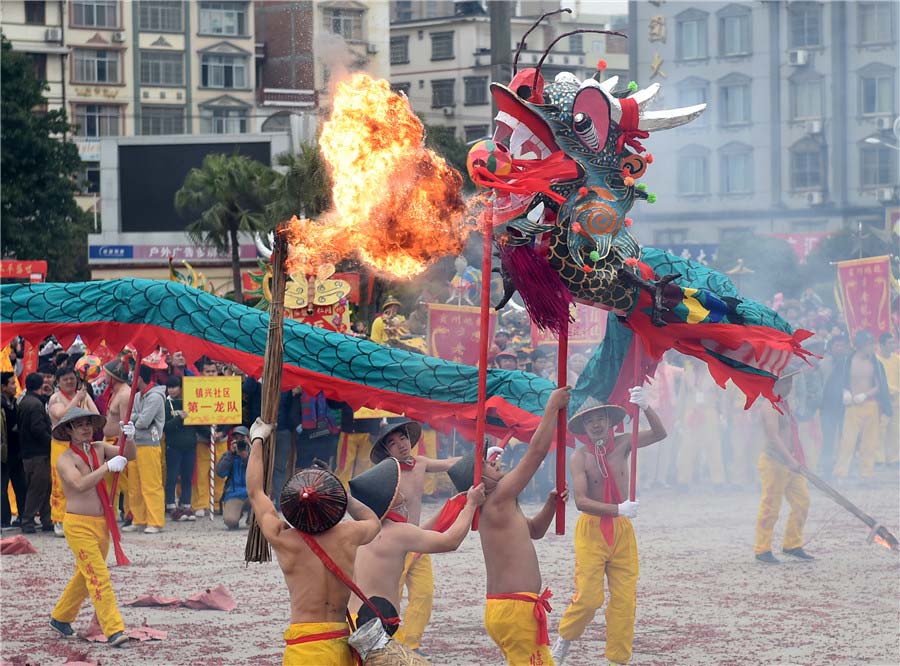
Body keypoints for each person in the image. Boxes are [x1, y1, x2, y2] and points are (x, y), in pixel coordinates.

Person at [447, 387, 570, 665]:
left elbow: (534, 531)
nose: (495, 462)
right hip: (515, 609)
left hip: (510, 608)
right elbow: (537, 453)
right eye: (487, 465)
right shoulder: (498, 498)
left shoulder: (499, 504)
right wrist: (552, 406)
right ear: (480, 481)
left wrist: (550, 505)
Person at [245, 418, 381, 665]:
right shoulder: (348, 535)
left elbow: (255, 492)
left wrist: (257, 440)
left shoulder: (284, 539)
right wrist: (343, 494)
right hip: (339, 645)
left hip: (304, 649)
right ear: (334, 504)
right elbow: (374, 521)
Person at [551, 386, 667, 665]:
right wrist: (619, 508)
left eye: (600, 418)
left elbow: (660, 434)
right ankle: (564, 639)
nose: (595, 424)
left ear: (609, 421)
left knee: (625, 600)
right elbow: (580, 502)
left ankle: (618, 659)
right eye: (589, 421)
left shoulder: (624, 443)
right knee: (589, 598)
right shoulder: (579, 457)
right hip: (592, 530)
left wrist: (646, 406)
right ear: (583, 427)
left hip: (622, 530)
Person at [348, 460, 486, 624]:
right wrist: (471, 504)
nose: (404, 496)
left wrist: (455, 505)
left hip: (352, 619)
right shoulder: (398, 532)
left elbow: (423, 533)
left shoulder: (356, 531)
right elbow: (451, 541)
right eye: (398, 492)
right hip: (377, 623)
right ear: (389, 499)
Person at [368, 419, 463, 652]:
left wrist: (480, 458)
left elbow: (450, 463)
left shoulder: (419, 463)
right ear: (385, 451)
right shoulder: (384, 475)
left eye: (403, 438)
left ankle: (411, 644)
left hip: (419, 540)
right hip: (394, 545)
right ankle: (392, 644)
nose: (401, 444)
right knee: (391, 597)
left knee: (424, 594)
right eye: (393, 442)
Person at [49, 408, 135, 647]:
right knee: (98, 576)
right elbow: (79, 485)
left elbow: (128, 455)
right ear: (69, 430)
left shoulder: (99, 447)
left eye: (88, 423)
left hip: (102, 523)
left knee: (84, 574)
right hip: (78, 525)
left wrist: (130, 436)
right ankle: (114, 630)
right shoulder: (65, 459)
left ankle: (61, 617)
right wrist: (108, 468)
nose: (86, 428)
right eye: (79, 425)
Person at [753, 372, 813, 564]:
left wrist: (796, 459)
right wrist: (789, 459)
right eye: (786, 381)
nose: (790, 385)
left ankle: (792, 544)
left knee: (802, 501)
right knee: (771, 507)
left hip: (791, 462)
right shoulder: (768, 406)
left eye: (791, 381)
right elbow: (774, 436)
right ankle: (762, 549)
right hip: (775, 463)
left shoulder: (784, 404)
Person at [833, 330, 892, 480]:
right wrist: (845, 392)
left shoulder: (876, 363)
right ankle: (841, 473)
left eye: (872, 344)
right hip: (852, 406)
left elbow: (880, 386)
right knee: (847, 441)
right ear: (860, 346)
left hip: (871, 405)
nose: (872, 348)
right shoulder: (847, 361)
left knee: (870, 442)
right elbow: (839, 381)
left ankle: (867, 473)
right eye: (869, 344)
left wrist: (866, 394)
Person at [48, 365, 100, 536]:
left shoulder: (83, 396)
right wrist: (77, 398)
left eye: (72, 378)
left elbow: (96, 414)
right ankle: (59, 519)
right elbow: (61, 414)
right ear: (58, 382)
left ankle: (81, 515)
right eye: (65, 379)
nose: (70, 382)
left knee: (85, 479)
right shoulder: (55, 398)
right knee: (61, 483)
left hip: (82, 444)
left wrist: (84, 402)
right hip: (61, 445)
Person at [123, 365, 166, 534]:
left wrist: (134, 418)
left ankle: (155, 521)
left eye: (134, 377)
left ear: (140, 378)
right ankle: (139, 519)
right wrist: (135, 418)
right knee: (134, 485)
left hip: (150, 443)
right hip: (135, 443)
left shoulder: (155, 396)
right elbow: (131, 416)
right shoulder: (137, 396)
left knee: (151, 484)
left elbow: (143, 421)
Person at [18, 372, 53, 534]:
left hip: (27, 453)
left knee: (44, 487)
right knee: (38, 488)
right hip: (38, 453)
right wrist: (51, 441)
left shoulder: (25, 401)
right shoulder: (36, 405)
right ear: (40, 384)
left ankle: (46, 519)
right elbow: (37, 429)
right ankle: (28, 520)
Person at [162, 376, 197, 520]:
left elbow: (197, 422)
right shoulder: (165, 404)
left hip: (190, 446)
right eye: (169, 387)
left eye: (175, 386)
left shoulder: (189, 402)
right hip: (173, 447)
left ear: (181, 388)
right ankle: (170, 505)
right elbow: (165, 426)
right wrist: (178, 418)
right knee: (172, 476)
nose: (172, 390)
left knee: (187, 477)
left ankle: (186, 504)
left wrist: (212, 433)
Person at [2, 371, 27, 528]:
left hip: (16, 453)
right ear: (3, 387)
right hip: (3, 455)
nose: (15, 386)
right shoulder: (2, 405)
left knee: (20, 486)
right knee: (2, 488)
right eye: (12, 383)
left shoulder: (14, 403)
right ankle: (4, 520)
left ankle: (22, 517)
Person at [215, 426, 251, 529]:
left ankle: (251, 519)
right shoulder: (228, 455)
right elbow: (220, 473)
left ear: (248, 439)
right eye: (236, 438)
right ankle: (237, 514)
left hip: (252, 493)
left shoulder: (254, 454)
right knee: (230, 522)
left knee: (258, 521)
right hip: (234, 494)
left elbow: (261, 472)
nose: (239, 441)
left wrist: (245, 458)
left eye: (242, 438)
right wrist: (231, 455)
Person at [876, 332, 899, 467]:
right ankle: (879, 458)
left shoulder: (897, 359)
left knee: (896, 430)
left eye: (893, 342)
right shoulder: (876, 360)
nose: (893, 345)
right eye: (890, 343)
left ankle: (894, 458)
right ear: (882, 345)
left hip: (897, 400)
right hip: (882, 400)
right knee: (881, 429)